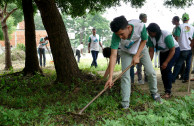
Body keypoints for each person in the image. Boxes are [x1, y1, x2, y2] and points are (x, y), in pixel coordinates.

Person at [104, 16, 161, 109]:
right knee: (125, 76)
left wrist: (137, 55)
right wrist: (110, 77)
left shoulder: (140, 26)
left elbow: (144, 40)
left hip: (141, 49)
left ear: (128, 27)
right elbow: (113, 55)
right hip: (125, 52)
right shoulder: (116, 35)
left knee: (150, 72)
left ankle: (154, 93)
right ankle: (125, 103)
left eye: (122, 34)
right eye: (118, 35)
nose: (120, 37)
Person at [147, 23, 180, 98]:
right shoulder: (150, 37)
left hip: (174, 51)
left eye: (150, 32)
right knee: (162, 69)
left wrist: (166, 62)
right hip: (163, 52)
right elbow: (151, 51)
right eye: (148, 32)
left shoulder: (166, 35)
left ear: (155, 32)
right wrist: (148, 63)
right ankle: (166, 89)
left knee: (167, 68)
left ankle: (168, 92)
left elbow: (172, 50)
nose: (148, 34)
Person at [172, 13, 194, 83]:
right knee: (188, 64)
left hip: (182, 48)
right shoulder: (192, 27)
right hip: (190, 49)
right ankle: (186, 78)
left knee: (178, 64)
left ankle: (173, 78)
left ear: (182, 19)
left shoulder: (179, 27)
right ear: (188, 19)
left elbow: (176, 37)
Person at [172, 16, 185, 80]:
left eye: (173, 20)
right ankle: (177, 74)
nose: (172, 21)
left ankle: (182, 74)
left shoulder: (179, 27)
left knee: (181, 62)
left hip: (179, 46)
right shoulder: (175, 28)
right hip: (177, 46)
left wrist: (174, 45)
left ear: (176, 21)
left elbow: (176, 38)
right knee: (177, 61)